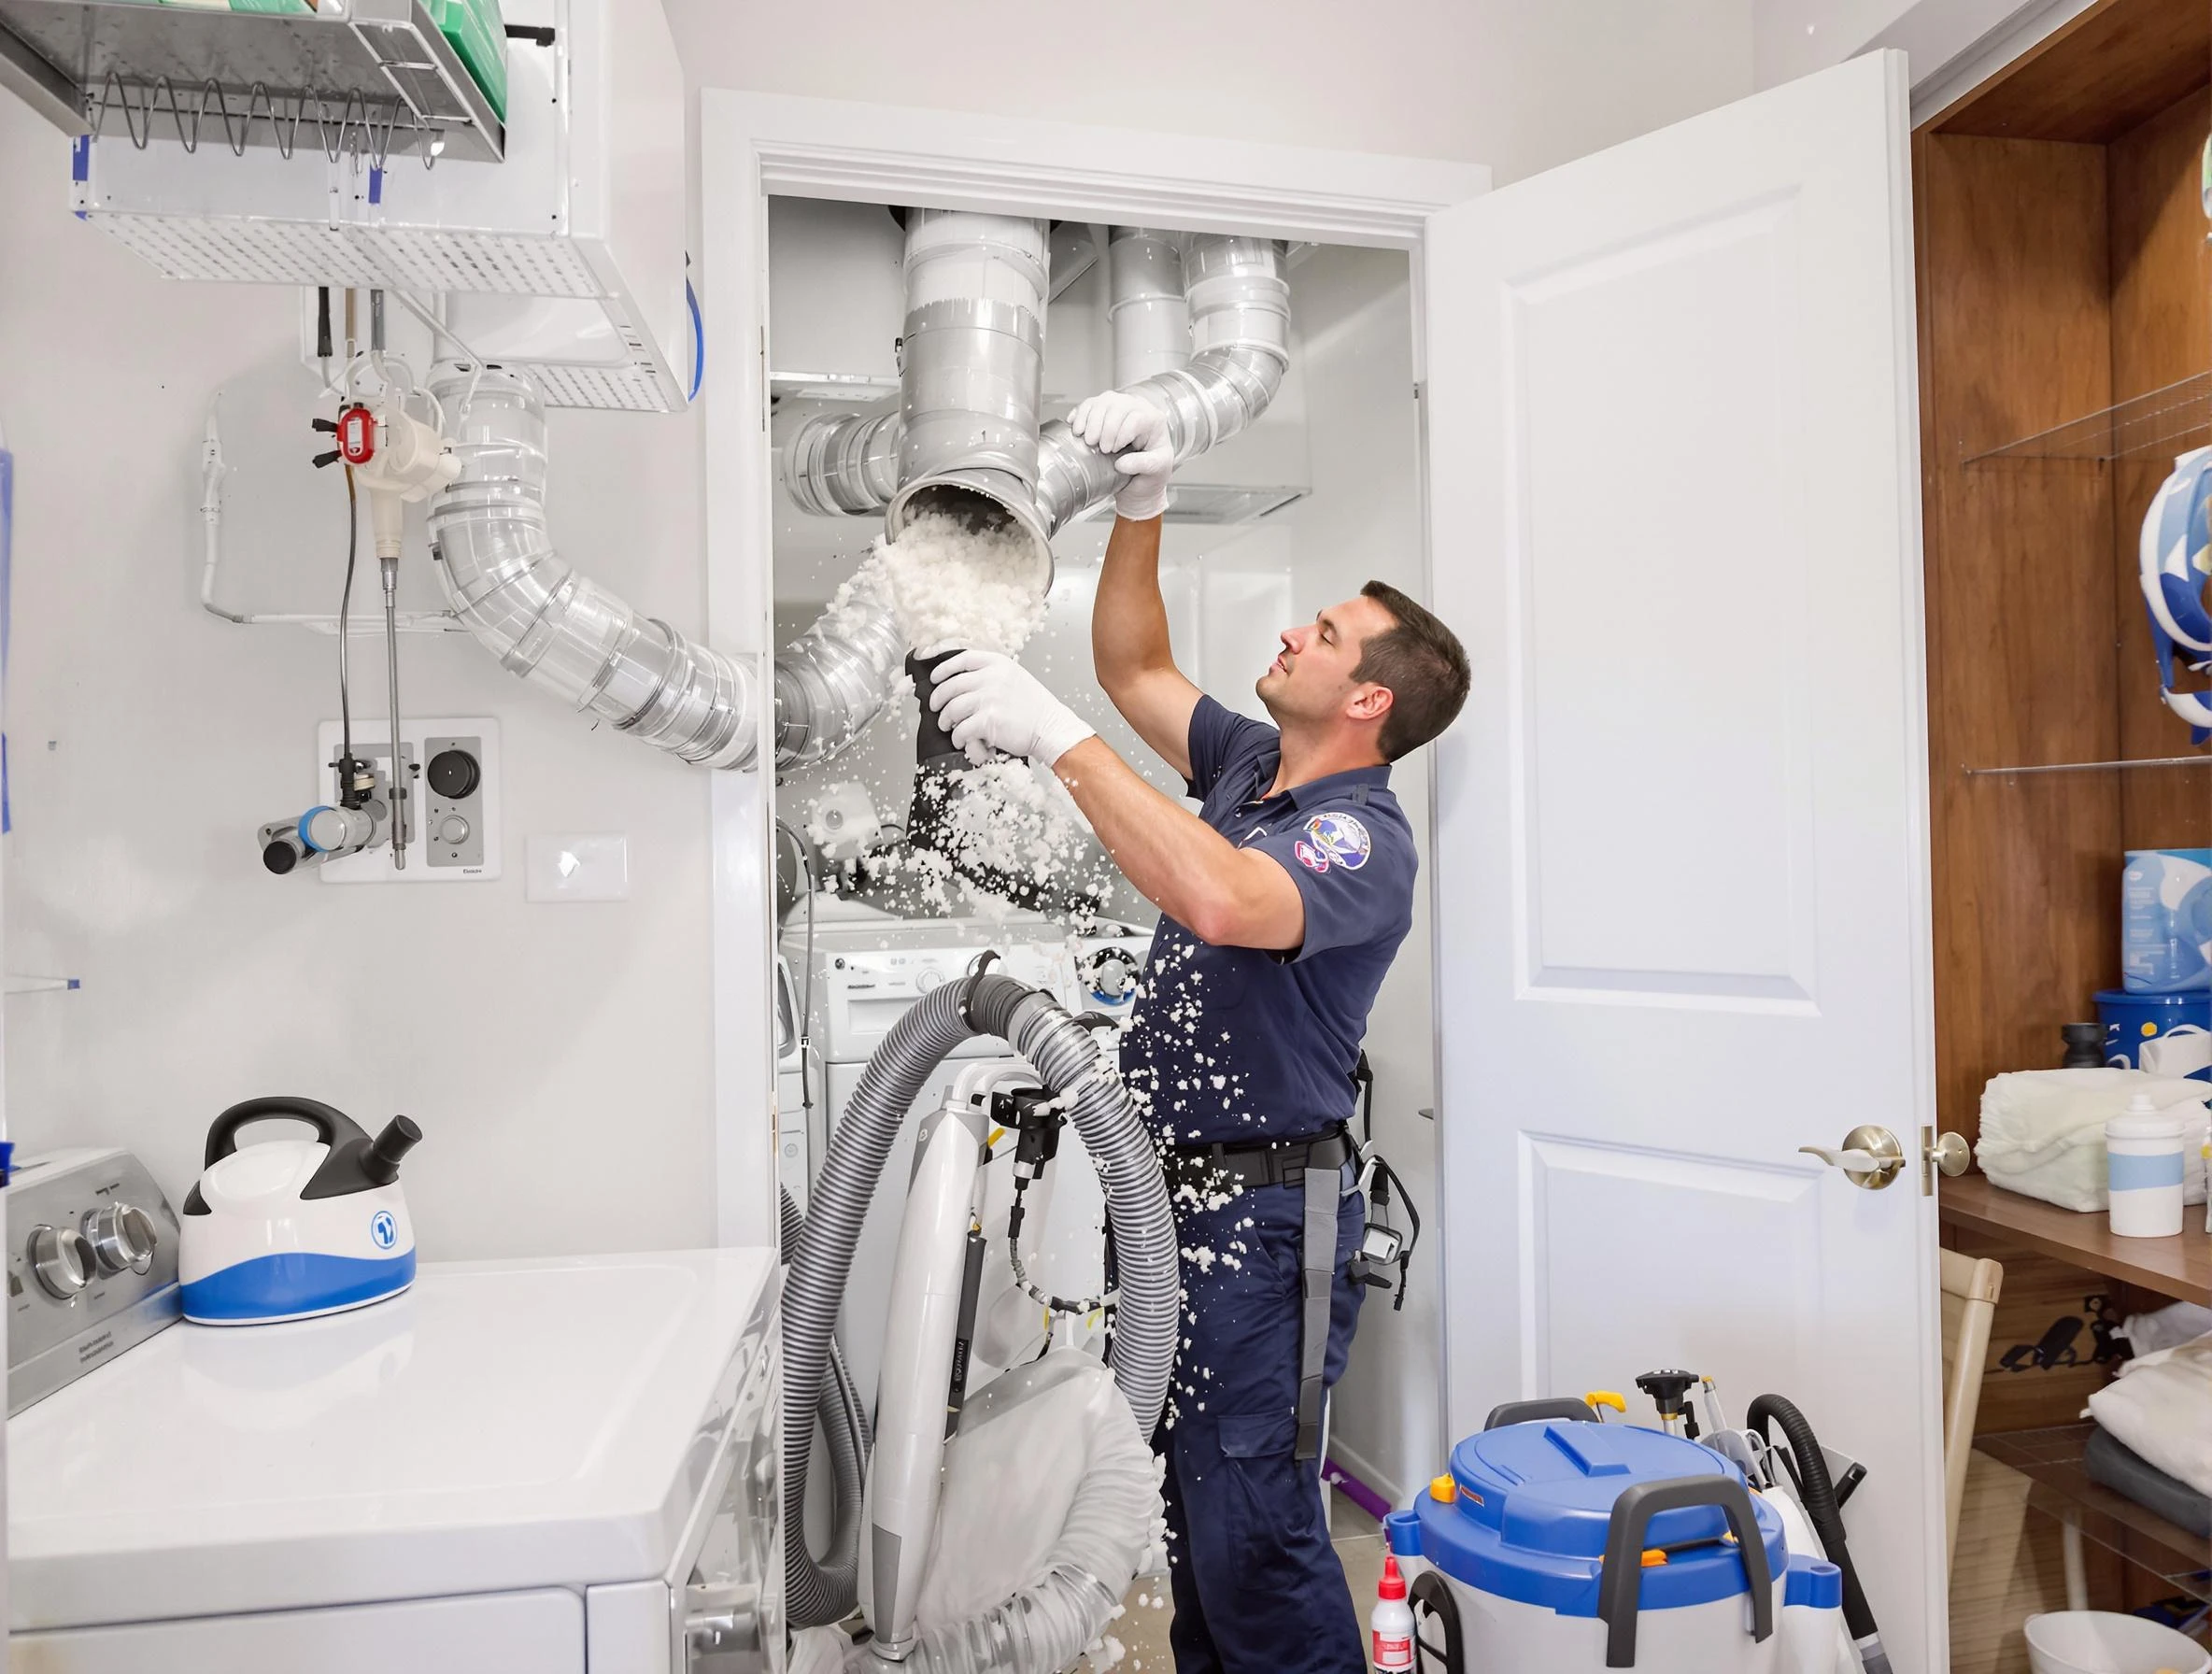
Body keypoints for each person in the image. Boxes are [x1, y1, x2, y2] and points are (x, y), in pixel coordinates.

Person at [929, 390, 1472, 1674]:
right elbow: (1135, 667)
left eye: (1325, 633)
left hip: (1267, 1222)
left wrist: (1058, 740)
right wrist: (1143, 505)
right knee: (1185, 1510)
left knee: (1254, 1532)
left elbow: (1226, 902)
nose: (1293, 630)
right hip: (1174, 1204)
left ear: (1370, 700)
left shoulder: (1361, 841)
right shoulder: (1246, 768)